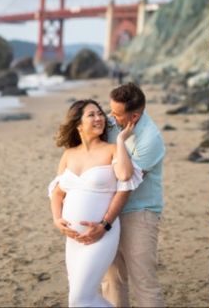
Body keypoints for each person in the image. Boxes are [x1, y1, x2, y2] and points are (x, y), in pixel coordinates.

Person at [49, 99, 142, 307]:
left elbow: (125, 180)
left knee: (79, 299)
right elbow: (57, 193)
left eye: (100, 113)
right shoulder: (69, 154)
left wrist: (120, 141)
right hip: (73, 240)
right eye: (91, 115)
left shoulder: (111, 150)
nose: (99, 118)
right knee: (82, 296)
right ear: (78, 124)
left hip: (102, 235)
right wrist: (57, 219)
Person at [102, 83, 166, 307]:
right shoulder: (111, 122)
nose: (110, 117)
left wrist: (105, 222)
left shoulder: (150, 139)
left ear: (134, 116)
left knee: (144, 281)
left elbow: (126, 185)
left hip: (140, 211)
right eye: (110, 110)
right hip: (109, 209)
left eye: (116, 113)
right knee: (112, 279)